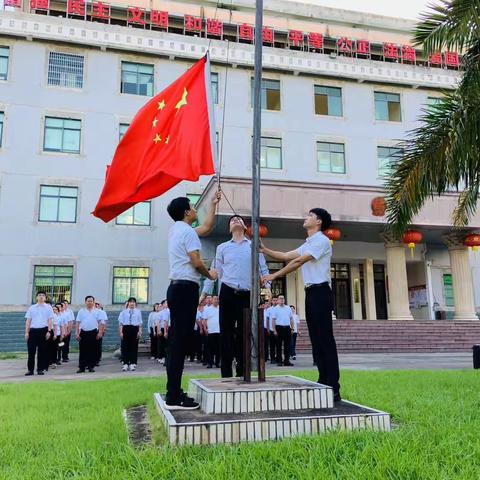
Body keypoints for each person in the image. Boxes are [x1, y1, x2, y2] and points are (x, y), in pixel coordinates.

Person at [261, 207, 341, 402]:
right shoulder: (309, 242)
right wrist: (264, 249)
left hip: (321, 292)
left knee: (325, 339)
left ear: (319, 221)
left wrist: (274, 275)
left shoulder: (321, 240)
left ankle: (333, 386)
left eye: (310, 216)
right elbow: (286, 255)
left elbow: (298, 262)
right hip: (311, 293)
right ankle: (323, 380)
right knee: (316, 338)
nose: (306, 218)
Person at [164, 192, 219, 410]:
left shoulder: (177, 230)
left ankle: (173, 391)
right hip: (186, 289)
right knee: (179, 343)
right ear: (187, 212)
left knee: (177, 341)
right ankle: (173, 395)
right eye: (193, 207)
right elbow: (196, 262)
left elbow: (205, 227)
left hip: (177, 288)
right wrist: (210, 275)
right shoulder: (187, 233)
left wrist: (213, 204)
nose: (196, 209)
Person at [201, 214, 271, 378]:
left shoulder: (253, 246)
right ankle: (226, 374)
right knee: (225, 334)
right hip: (227, 292)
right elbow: (214, 272)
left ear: (245, 226)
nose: (235, 220)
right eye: (232, 220)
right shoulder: (222, 247)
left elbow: (263, 269)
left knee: (244, 334)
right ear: (229, 228)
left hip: (246, 295)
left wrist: (267, 286)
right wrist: (204, 293)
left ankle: (242, 371)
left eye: (238, 219)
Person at [24, 291, 54, 376]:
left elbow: (50, 320)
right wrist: (26, 332)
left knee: (42, 352)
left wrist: (49, 331)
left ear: (45, 298)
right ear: (36, 297)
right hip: (33, 331)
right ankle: (30, 370)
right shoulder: (32, 308)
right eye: (39, 295)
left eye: (43, 295)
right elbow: (28, 321)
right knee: (31, 352)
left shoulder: (48, 308)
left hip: (43, 331)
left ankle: (40, 369)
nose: (41, 297)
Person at [76, 295, 101, 373]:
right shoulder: (81, 311)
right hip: (83, 332)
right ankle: (81, 367)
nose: (90, 302)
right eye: (88, 301)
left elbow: (101, 323)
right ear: (85, 302)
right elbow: (77, 323)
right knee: (83, 350)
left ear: (93, 302)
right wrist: (77, 333)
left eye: (91, 301)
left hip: (93, 332)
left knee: (92, 350)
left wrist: (100, 333)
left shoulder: (97, 311)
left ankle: (91, 367)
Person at [118, 297, 143, 371]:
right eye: (130, 302)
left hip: (134, 329)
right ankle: (125, 363)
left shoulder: (138, 312)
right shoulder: (123, 312)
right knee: (125, 347)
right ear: (128, 303)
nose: (132, 303)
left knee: (133, 347)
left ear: (135, 303)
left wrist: (139, 331)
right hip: (126, 329)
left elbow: (140, 323)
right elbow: (121, 323)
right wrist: (121, 332)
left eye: (133, 302)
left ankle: (132, 363)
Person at [271, 295, 294, 366]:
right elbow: (273, 320)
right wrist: (274, 330)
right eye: (280, 298)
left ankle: (286, 361)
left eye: (283, 298)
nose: (282, 300)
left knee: (287, 346)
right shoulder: (275, 309)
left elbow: (291, 319)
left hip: (287, 328)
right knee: (278, 346)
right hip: (279, 328)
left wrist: (292, 328)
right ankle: (279, 361)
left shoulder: (288, 308)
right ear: (277, 300)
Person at [202, 295, 221, 368]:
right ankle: (210, 363)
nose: (216, 300)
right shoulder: (207, 309)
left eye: (217, 299)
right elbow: (204, 320)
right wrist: (205, 328)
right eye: (214, 299)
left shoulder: (220, 309)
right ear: (212, 300)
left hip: (219, 331)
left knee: (218, 349)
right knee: (210, 348)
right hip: (211, 331)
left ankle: (217, 362)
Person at [265, 296, 278, 365]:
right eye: (274, 300)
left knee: (278, 345)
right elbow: (267, 319)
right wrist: (267, 329)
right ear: (271, 301)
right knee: (272, 345)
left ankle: (278, 358)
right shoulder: (269, 309)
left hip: (279, 329)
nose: (275, 301)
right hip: (271, 329)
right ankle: (272, 358)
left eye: (276, 300)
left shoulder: (279, 309)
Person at [157, 300, 169, 365]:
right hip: (162, 328)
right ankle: (161, 357)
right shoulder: (161, 313)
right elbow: (158, 322)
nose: (167, 304)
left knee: (167, 344)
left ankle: (166, 357)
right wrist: (159, 330)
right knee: (162, 344)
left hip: (168, 328)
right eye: (166, 303)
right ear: (163, 304)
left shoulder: (169, 310)